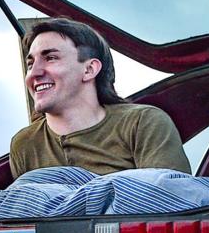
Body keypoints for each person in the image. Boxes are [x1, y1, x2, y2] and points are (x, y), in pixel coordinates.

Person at [10, 19, 190, 178]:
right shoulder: (25, 144)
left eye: (50, 58)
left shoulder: (143, 123)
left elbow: (175, 202)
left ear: (89, 70)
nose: (34, 73)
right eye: (30, 64)